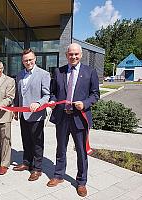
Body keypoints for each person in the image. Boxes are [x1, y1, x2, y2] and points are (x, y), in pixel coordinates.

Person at [47, 43, 99, 197]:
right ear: (66, 55)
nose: (73, 57)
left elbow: (95, 95)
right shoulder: (59, 71)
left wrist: (85, 104)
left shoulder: (90, 72)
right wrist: (52, 100)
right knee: (60, 148)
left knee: (81, 151)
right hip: (62, 117)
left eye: (76, 54)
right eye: (71, 54)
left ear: (81, 55)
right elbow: (53, 92)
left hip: (79, 118)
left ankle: (81, 182)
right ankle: (58, 175)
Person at [13, 48, 50, 181]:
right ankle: (27, 163)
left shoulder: (44, 74)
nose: (28, 62)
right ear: (22, 62)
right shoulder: (19, 75)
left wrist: (39, 103)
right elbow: (18, 94)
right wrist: (16, 111)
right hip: (23, 114)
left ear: (35, 59)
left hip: (36, 115)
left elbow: (47, 95)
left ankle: (37, 168)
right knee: (26, 140)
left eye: (30, 59)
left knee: (37, 142)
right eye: (25, 60)